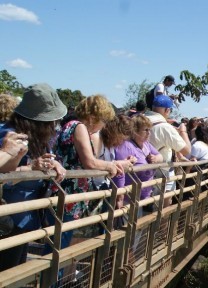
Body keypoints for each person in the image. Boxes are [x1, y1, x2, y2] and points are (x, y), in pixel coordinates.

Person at [0, 83, 67, 270]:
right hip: (8, 216)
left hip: (24, 215)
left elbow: (38, 159)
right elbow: (5, 175)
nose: (54, 125)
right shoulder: (8, 135)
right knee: (7, 272)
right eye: (50, 121)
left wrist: (52, 163)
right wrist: (31, 167)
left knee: (16, 270)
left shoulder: (34, 136)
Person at [51, 95, 122, 247]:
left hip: (66, 193)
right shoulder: (79, 127)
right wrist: (110, 166)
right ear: (92, 117)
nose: (103, 125)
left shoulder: (70, 125)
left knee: (59, 242)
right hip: (68, 195)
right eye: (103, 120)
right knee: (59, 245)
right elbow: (89, 162)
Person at [111, 115, 163, 214]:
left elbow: (160, 156)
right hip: (128, 198)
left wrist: (156, 158)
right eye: (146, 130)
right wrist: (120, 196)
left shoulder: (146, 145)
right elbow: (120, 171)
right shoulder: (125, 146)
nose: (149, 133)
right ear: (135, 131)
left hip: (142, 197)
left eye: (149, 130)